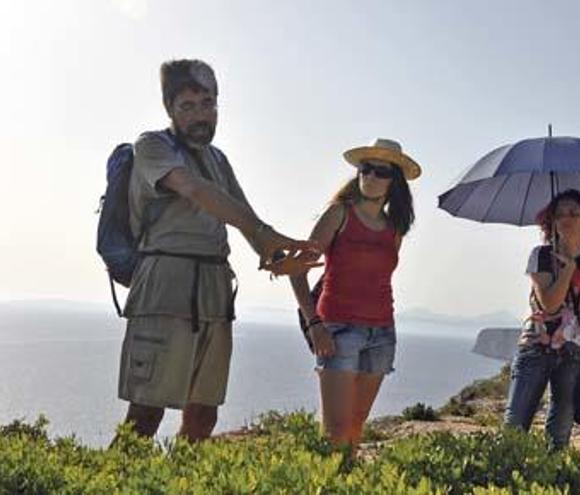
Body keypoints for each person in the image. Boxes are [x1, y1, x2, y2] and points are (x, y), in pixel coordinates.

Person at [116, 59, 319, 443]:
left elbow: (247, 221)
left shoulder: (218, 159)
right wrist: (267, 233)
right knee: (145, 414)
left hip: (214, 290)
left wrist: (279, 257)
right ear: (169, 109)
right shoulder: (152, 145)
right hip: (165, 286)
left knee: (203, 415)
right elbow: (194, 190)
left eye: (207, 103)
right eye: (188, 106)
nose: (200, 115)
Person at [269, 138, 419, 451]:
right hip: (338, 329)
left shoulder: (395, 229)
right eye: (366, 169)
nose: (370, 177)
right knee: (335, 433)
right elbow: (299, 270)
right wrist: (315, 324)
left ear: (395, 183)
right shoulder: (339, 215)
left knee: (354, 429)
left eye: (380, 172)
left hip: (382, 332)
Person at [503, 189, 580, 450]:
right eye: (559, 214)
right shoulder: (541, 256)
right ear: (552, 222)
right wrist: (568, 268)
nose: (566, 219)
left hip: (574, 352)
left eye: (573, 213)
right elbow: (550, 304)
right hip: (536, 345)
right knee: (514, 428)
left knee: (559, 433)